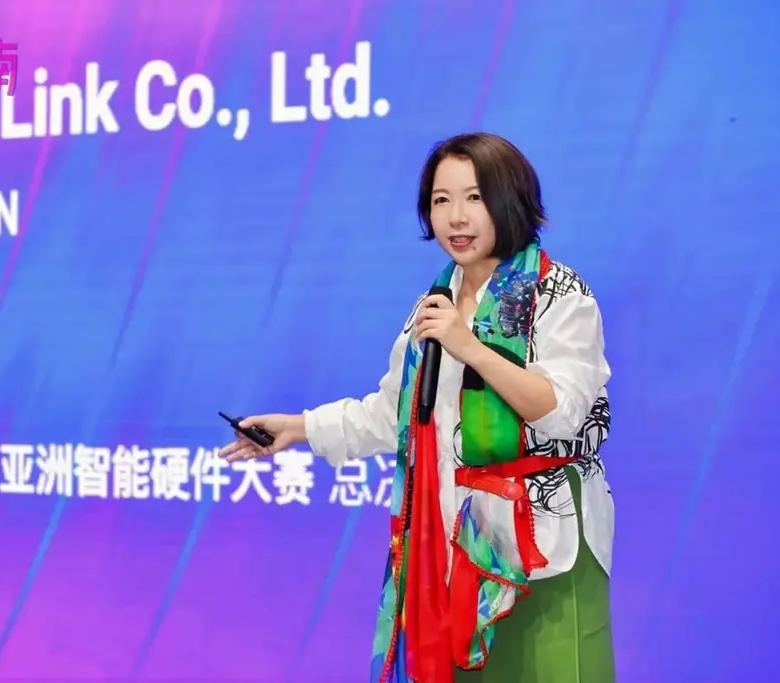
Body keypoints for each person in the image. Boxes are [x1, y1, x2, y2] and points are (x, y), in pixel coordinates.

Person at [221, 132, 615, 683]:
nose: (456, 217)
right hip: (453, 546)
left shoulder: (559, 294)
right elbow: (396, 416)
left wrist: (470, 346)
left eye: (474, 197)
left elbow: (562, 412)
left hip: (546, 546)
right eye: (441, 200)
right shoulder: (434, 305)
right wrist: (298, 428)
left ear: (510, 198)